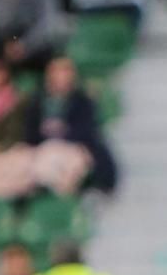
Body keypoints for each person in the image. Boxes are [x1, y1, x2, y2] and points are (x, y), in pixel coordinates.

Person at [24, 54, 118, 195]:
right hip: (42, 149)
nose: (61, 75)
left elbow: (86, 131)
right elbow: (30, 133)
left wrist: (59, 132)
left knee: (64, 165)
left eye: (65, 70)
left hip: (73, 149)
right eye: (56, 70)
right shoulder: (37, 101)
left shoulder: (83, 101)